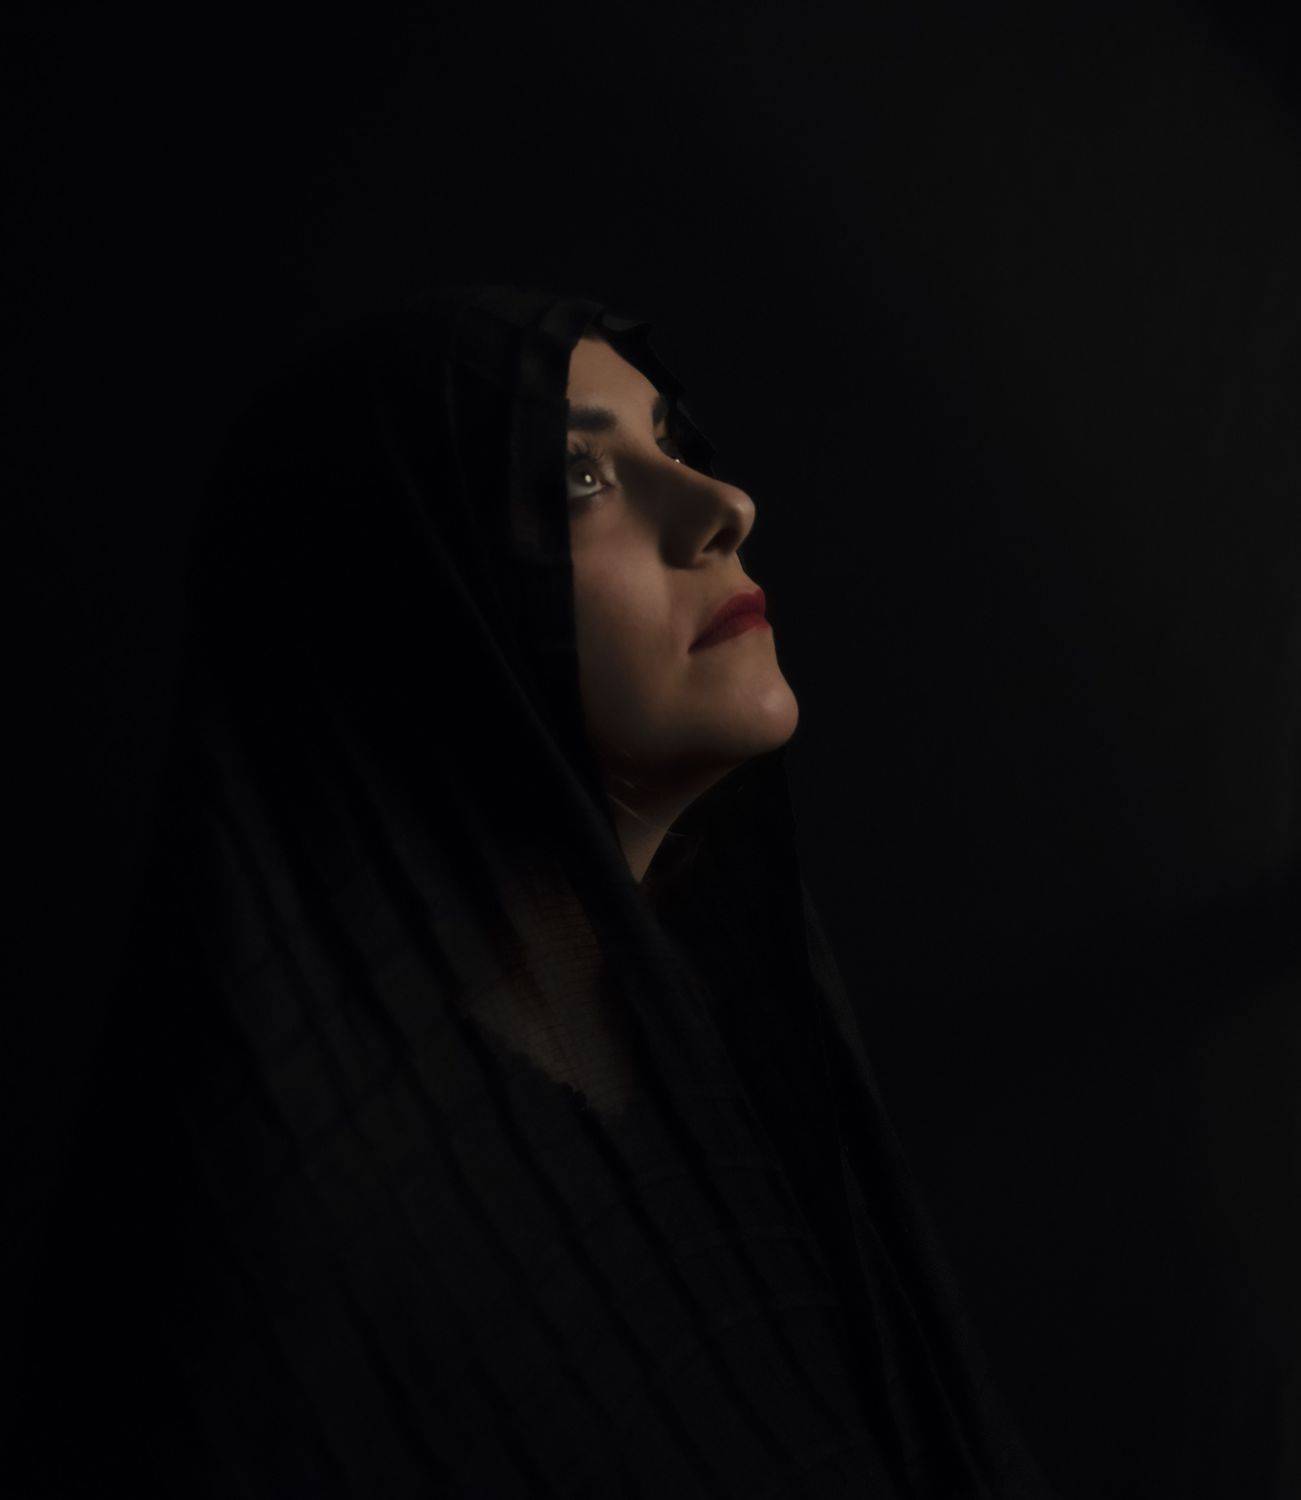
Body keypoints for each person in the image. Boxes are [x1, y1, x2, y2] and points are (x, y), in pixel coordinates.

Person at [10, 284, 1061, 1496]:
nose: (724, 505)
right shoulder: (296, 1238)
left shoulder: (730, 1060)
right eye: (579, 478)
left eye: (672, 441)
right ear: (408, 615)